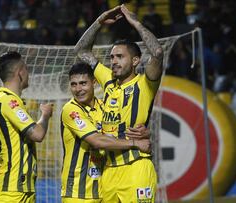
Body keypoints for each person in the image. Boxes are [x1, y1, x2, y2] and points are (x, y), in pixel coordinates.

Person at [74, 5, 164, 203]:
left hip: (136, 168)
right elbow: (81, 51)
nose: (113, 61)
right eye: (112, 57)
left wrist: (135, 23)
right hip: (108, 172)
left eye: (120, 57)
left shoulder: (144, 83)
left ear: (135, 61)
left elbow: (157, 52)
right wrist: (99, 22)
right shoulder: (107, 80)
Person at [61, 63, 151, 202]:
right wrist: (135, 143)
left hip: (103, 190)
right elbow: (97, 141)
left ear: (94, 83)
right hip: (77, 193)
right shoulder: (71, 110)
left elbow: (121, 131)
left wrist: (145, 133)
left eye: (83, 83)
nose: (78, 89)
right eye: (74, 84)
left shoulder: (105, 107)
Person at [0, 51, 53, 202]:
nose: (28, 73)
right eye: (26, 68)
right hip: (11, 191)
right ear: (20, 72)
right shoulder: (8, 101)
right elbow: (37, 134)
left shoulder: (7, 100)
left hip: (21, 188)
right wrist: (45, 115)